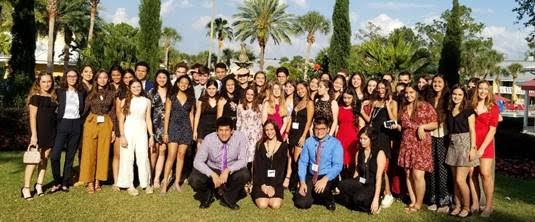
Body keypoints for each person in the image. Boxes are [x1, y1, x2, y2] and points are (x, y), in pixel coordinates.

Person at [392, 84, 438, 213]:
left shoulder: (425, 106)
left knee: (418, 174)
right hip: (406, 144)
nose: (408, 95)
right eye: (406, 93)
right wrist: (397, 127)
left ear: (417, 93)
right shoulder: (404, 108)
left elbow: (435, 123)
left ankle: (418, 203)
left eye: (411, 92)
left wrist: (422, 127)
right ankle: (412, 200)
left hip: (421, 145)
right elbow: (404, 126)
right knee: (408, 174)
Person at [189, 117, 250, 209]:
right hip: (213, 168)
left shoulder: (240, 137)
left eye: (227, 130)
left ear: (232, 130)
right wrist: (212, 174)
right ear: (216, 131)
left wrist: (228, 170)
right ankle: (207, 196)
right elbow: (197, 161)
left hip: (230, 169)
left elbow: (243, 160)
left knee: (244, 174)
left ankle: (227, 198)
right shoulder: (209, 139)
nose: (224, 133)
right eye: (221, 130)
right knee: (194, 179)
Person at [21, 73, 58, 199]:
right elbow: (32, 117)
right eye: (44, 81)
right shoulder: (35, 97)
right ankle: (26, 188)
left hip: (51, 131)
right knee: (33, 160)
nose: (47, 84)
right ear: (38, 82)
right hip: (38, 131)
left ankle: (39, 184)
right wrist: (34, 136)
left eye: (49, 81)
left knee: (44, 158)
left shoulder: (53, 97)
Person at [294, 117, 343, 211]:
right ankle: (314, 195)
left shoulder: (335, 144)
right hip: (312, 174)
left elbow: (337, 166)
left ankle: (329, 199)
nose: (319, 131)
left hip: (328, 175)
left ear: (328, 129)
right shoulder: (309, 142)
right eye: (317, 128)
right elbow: (303, 162)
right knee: (301, 203)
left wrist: (325, 179)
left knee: (322, 191)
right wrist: (302, 182)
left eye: (322, 129)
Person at [79, 70, 116, 193]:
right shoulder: (90, 93)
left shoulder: (111, 94)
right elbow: (84, 109)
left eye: (105, 77)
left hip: (106, 121)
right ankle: (89, 181)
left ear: (108, 79)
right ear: (96, 79)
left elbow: (113, 112)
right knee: (89, 152)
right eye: (100, 78)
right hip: (92, 121)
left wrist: (114, 130)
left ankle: (98, 181)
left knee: (103, 152)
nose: (102, 80)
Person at [49, 70, 85, 193]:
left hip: (76, 124)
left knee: (70, 156)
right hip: (62, 123)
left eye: (74, 76)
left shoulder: (81, 92)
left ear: (77, 78)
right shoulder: (59, 92)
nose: (72, 78)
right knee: (54, 156)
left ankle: (64, 182)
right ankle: (57, 181)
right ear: (66, 78)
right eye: (69, 76)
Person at [446, 85, 478, 218]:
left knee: (460, 180)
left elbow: (472, 130)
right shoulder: (449, 110)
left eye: (460, 94)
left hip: (465, 143)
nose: (456, 97)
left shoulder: (468, 110)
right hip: (452, 144)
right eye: (455, 94)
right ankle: (458, 205)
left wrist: (472, 148)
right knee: (454, 180)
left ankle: (467, 207)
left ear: (464, 96)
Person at [117, 80, 154, 195]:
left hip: (142, 131)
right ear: (129, 88)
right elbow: (121, 120)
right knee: (127, 158)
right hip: (128, 131)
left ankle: (146, 183)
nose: (136, 88)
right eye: (134, 86)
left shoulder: (147, 101)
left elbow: (148, 119)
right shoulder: (125, 101)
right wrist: (122, 136)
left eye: (138, 86)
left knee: (143, 157)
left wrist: (151, 135)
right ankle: (129, 185)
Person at [337, 126, 386, 214]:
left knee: (357, 199)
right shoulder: (359, 152)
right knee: (341, 185)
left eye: (365, 139)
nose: (362, 141)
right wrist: (351, 185)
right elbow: (356, 172)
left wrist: (376, 198)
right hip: (361, 180)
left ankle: (376, 201)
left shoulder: (380, 153)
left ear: (372, 139)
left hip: (373, 184)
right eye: (360, 138)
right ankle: (356, 200)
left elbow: (379, 178)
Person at [161, 75, 196, 193]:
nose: (184, 84)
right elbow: (167, 115)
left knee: (181, 156)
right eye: (182, 82)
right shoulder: (171, 97)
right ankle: (165, 182)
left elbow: (191, 115)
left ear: (189, 85)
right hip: (173, 127)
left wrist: (192, 131)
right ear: (177, 83)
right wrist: (165, 132)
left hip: (186, 129)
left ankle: (176, 183)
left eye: (186, 83)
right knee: (171, 155)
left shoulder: (191, 99)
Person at [368, 79, 398, 208]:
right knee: (373, 164)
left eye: (383, 88)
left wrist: (387, 106)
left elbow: (394, 121)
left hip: (384, 137)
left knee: (383, 167)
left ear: (387, 89)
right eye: (378, 88)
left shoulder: (393, 103)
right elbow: (370, 120)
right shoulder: (374, 102)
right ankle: (378, 191)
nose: (380, 90)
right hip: (373, 136)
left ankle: (388, 194)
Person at [471, 80, 499, 217]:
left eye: (485, 89)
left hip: (485, 145)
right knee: (472, 174)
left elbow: (492, 130)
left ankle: (488, 206)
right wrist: (472, 146)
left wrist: (481, 148)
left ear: (489, 91)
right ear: (476, 90)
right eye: (480, 88)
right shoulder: (471, 106)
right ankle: (475, 203)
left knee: (485, 173)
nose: (482, 91)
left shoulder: (493, 107)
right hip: (471, 144)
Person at [425, 74, 452, 213]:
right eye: (434, 82)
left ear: (444, 83)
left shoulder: (448, 98)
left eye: (439, 82)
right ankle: (434, 199)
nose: (436, 84)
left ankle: (445, 201)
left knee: (442, 168)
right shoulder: (429, 98)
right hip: (430, 136)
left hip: (443, 135)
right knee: (432, 168)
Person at [252, 120, 291, 209]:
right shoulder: (260, 145)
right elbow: (257, 167)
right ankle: (261, 193)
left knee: (275, 205)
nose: (269, 132)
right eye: (267, 130)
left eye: (271, 129)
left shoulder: (283, 146)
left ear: (276, 129)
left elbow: (281, 169)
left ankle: (271, 193)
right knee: (263, 205)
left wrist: (272, 186)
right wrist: (263, 185)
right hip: (261, 181)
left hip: (276, 182)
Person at [147, 70, 172, 189]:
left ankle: (157, 178)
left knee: (162, 151)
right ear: (156, 78)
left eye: (164, 77)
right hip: (154, 124)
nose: (162, 79)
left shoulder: (171, 93)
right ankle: (150, 177)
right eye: (159, 77)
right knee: (153, 152)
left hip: (167, 125)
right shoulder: (151, 92)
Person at [288, 81, 314, 190]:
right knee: (293, 157)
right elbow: (292, 119)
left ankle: (300, 182)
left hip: (302, 134)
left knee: (299, 159)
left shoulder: (309, 103)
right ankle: (295, 182)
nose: (300, 91)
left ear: (307, 88)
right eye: (298, 89)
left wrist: (304, 136)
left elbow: (309, 121)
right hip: (293, 133)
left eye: (302, 88)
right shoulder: (297, 102)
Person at [236, 88, 263, 177]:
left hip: (255, 136)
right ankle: (245, 180)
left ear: (255, 96)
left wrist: (260, 137)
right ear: (245, 94)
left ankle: (253, 181)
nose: (250, 96)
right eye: (248, 94)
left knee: (254, 160)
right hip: (244, 135)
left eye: (252, 94)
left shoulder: (259, 107)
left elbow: (260, 123)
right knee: (245, 158)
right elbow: (238, 122)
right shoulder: (240, 107)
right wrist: (238, 136)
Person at [336, 89, 360, 179]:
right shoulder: (340, 109)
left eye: (349, 98)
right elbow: (337, 124)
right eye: (345, 98)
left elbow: (360, 125)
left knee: (351, 161)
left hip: (353, 139)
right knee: (341, 161)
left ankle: (349, 182)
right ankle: (341, 182)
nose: (346, 100)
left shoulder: (356, 110)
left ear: (353, 98)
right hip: (341, 137)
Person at [193, 79, 219, 144]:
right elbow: (197, 116)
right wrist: (195, 131)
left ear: (217, 89)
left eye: (213, 88)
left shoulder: (220, 100)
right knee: (201, 151)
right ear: (206, 89)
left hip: (215, 129)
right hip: (202, 128)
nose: (211, 91)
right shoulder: (201, 100)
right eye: (209, 88)